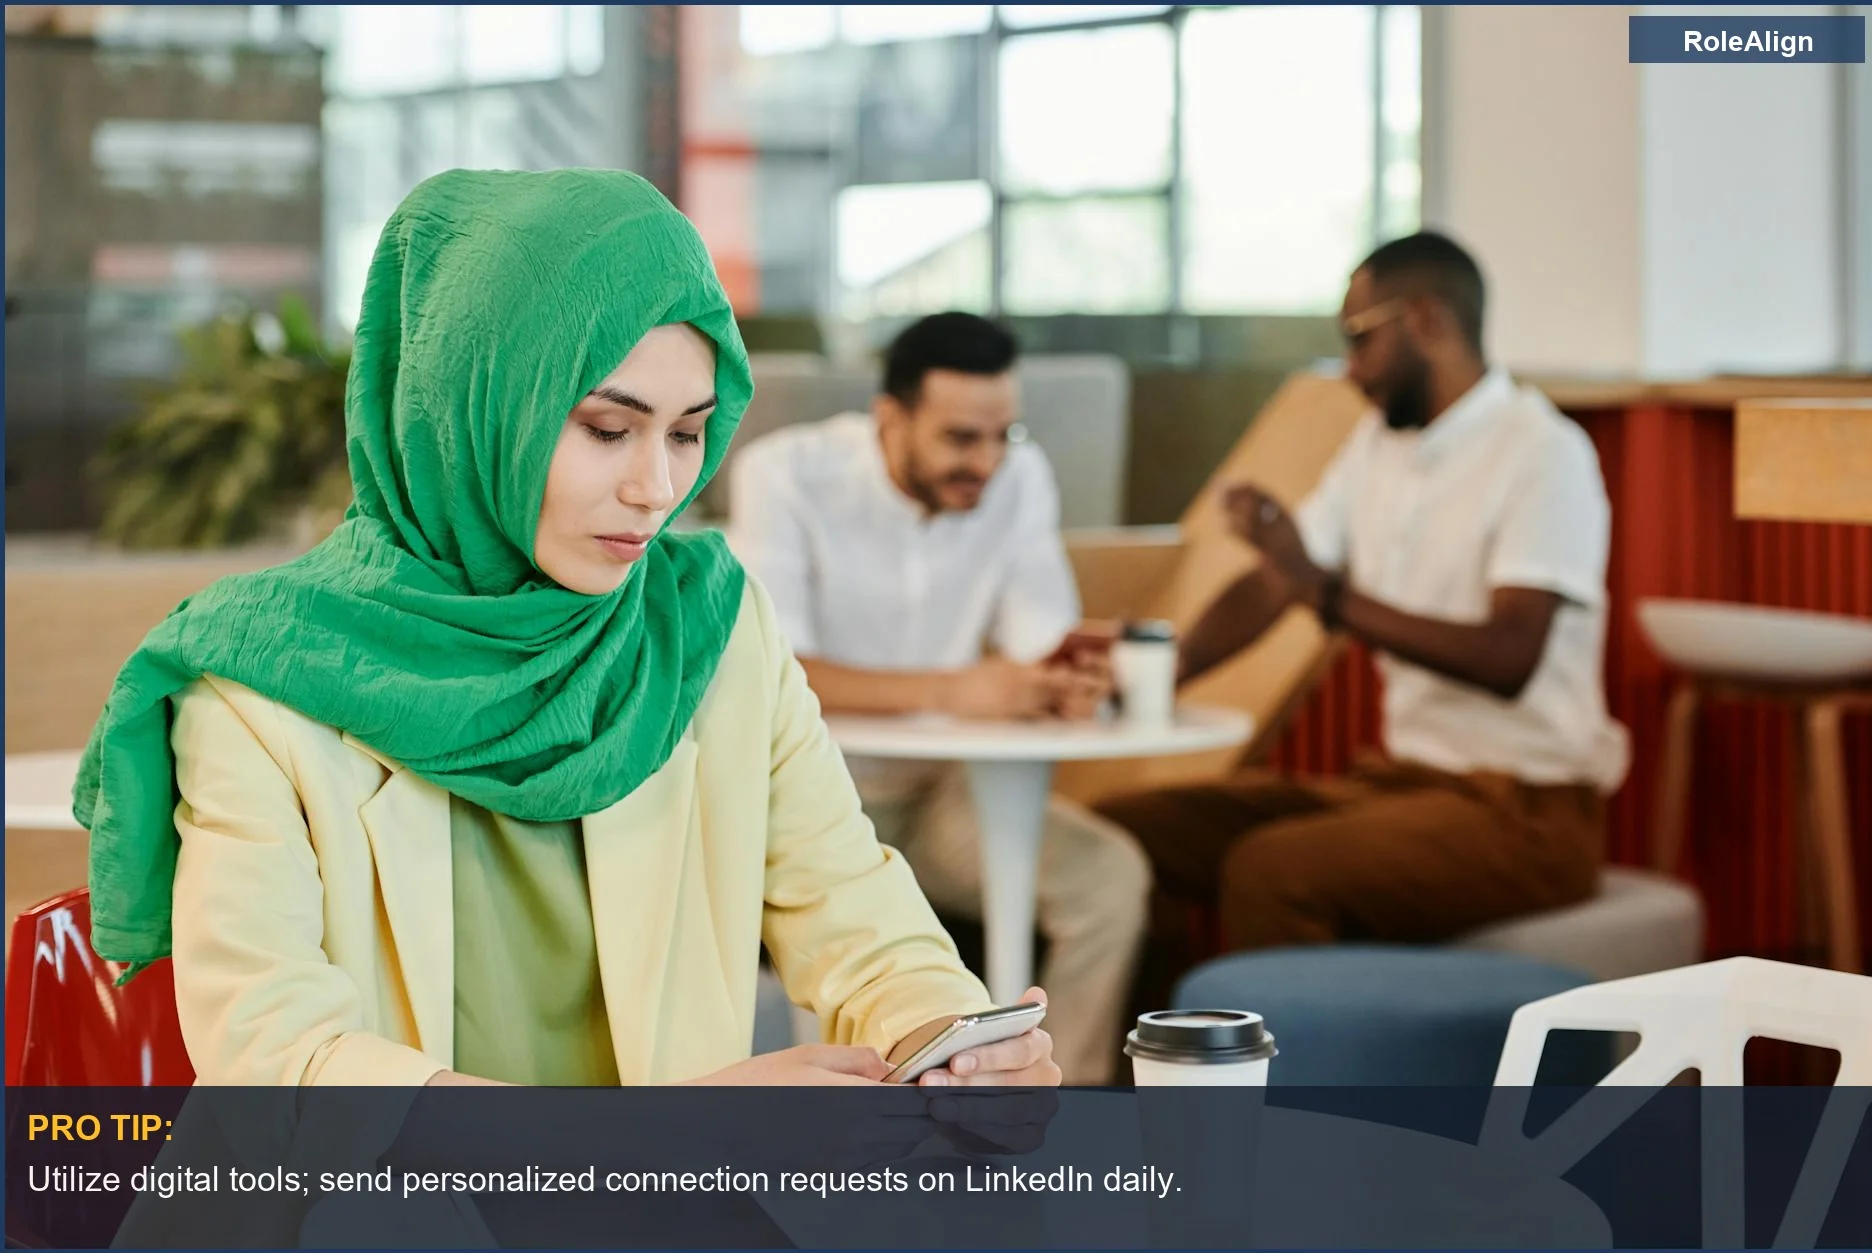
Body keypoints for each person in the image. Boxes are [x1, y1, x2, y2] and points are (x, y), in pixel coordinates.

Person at [72, 169, 1058, 1090]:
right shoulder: (260, 682)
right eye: (604, 426)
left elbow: (857, 917)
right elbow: (283, 1064)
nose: (655, 488)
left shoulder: (706, 628)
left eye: (684, 432)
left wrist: (948, 1042)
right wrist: (666, 1140)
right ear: (472, 407)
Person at [1097, 232, 1630, 989]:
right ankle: (1139, 1090)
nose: (1350, 369)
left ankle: (1284, 1106)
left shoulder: (1542, 452)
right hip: (1400, 786)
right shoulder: (1380, 446)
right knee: (1127, 834)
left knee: (1273, 871)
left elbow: (1509, 659)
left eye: (1358, 338)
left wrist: (1327, 594)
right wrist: (1156, 673)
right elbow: (1278, 581)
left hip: (1528, 813)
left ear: (1424, 319)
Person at [727, 312, 1151, 1086]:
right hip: (809, 799)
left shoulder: (1019, 479)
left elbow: (1035, 638)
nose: (986, 462)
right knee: (828, 951)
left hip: (946, 793)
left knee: (1108, 880)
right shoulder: (786, 473)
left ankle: (1058, 1111)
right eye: (961, 438)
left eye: (1003, 435)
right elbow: (772, 668)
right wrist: (959, 688)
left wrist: (1068, 674)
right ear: (891, 417)